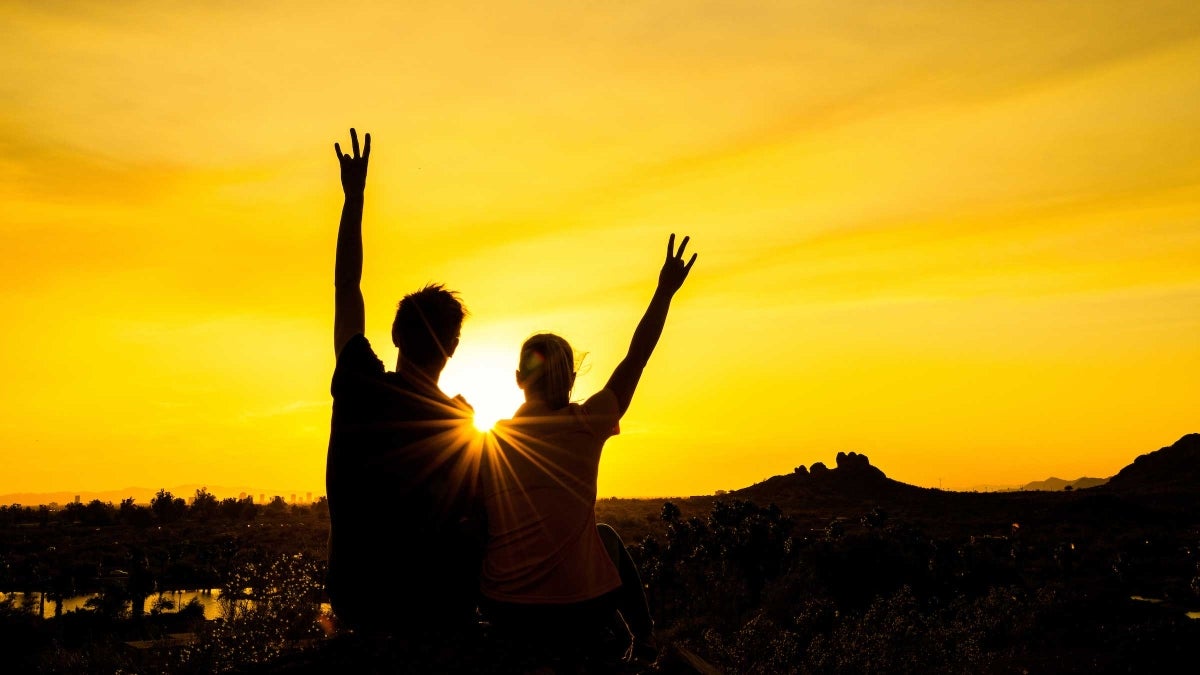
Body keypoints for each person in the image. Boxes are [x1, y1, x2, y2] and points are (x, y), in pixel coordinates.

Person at [480, 234, 697, 665]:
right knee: (606, 537)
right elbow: (638, 356)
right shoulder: (587, 423)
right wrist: (664, 291)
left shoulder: (491, 441)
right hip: (576, 610)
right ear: (572, 380)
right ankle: (643, 640)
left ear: (518, 379)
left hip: (504, 609)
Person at [325, 129, 486, 635]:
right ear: (454, 348)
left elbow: (346, 287)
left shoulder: (360, 383)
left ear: (395, 333)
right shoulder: (462, 423)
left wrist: (354, 200)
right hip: (435, 608)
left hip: (359, 600)